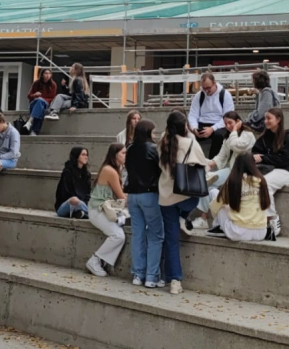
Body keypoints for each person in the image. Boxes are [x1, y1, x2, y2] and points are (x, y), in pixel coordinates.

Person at [158, 112, 206, 295]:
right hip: (185, 195)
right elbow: (202, 163)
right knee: (198, 198)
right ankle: (183, 217)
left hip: (165, 197)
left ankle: (174, 280)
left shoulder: (162, 143)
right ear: (184, 126)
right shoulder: (190, 143)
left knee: (171, 240)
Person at [194, 111, 257, 228]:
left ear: (238, 122)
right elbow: (221, 155)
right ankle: (210, 218)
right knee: (207, 182)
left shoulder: (248, 135)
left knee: (208, 183)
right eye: (225, 124)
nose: (228, 126)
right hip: (228, 168)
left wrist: (233, 131)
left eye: (230, 123)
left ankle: (204, 218)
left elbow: (236, 145)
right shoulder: (228, 137)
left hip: (238, 170)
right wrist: (211, 163)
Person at [125, 120, 164, 289]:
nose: (154, 135)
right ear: (148, 132)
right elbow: (160, 170)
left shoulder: (130, 149)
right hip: (149, 194)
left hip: (132, 195)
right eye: (153, 132)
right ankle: (151, 276)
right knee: (155, 235)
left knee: (138, 235)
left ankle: (137, 274)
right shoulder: (153, 149)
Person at [207, 153, 271, 242]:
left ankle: (217, 227)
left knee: (215, 196)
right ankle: (218, 226)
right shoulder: (262, 181)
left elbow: (216, 206)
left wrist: (217, 215)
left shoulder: (234, 181)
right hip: (261, 232)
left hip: (239, 232)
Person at [252, 107, 289, 238]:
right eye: (265, 118)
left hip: (285, 172)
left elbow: (285, 159)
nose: (266, 121)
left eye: (269, 118)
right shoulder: (264, 138)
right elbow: (254, 152)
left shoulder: (288, 137)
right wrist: (256, 157)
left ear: (278, 119)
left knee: (264, 184)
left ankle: (272, 218)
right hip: (267, 170)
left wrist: (264, 157)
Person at [86, 143, 128, 277]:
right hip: (97, 210)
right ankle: (95, 260)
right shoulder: (110, 171)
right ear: (115, 155)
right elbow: (121, 196)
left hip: (105, 209)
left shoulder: (115, 169)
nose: (126, 156)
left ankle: (102, 261)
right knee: (118, 235)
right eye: (123, 153)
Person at [188, 72, 234, 159]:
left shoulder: (225, 95)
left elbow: (228, 117)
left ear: (214, 84)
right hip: (202, 123)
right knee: (189, 135)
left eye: (208, 88)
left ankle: (213, 160)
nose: (206, 91)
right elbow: (193, 115)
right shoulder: (199, 96)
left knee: (218, 136)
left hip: (220, 124)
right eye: (204, 88)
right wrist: (194, 128)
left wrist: (213, 128)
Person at [55, 146, 92, 219]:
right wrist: (79, 201)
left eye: (86, 155)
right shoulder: (67, 172)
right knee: (74, 200)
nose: (86, 157)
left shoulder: (86, 174)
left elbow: (88, 194)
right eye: (83, 155)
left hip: (82, 205)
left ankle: (81, 214)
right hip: (65, 206)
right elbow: (66, 194)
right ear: (77, 156)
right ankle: (92, 215)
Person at [24, 69, 58, 135]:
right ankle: (34, 131)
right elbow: (29, 96)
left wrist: (42, 99)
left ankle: (30, 121)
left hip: (46, 103)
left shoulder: (53, 85)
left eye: (49, 74)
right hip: (34, 103)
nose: (47, 75)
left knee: (40, 102)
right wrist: (35, 95)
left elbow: (53, 98)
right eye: (46, 73)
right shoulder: (36, 83)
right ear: (42, 75)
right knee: (39, 105)